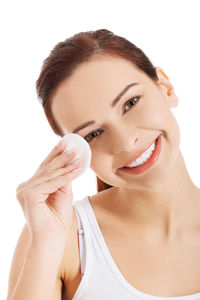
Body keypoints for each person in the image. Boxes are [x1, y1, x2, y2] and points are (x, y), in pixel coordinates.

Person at [6, 29, 200, 300]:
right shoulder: (61, 236)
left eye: (130, 103)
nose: (124, 143)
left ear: (165, 88)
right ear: (77, 151)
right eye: (93, 134)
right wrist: (46, 244)